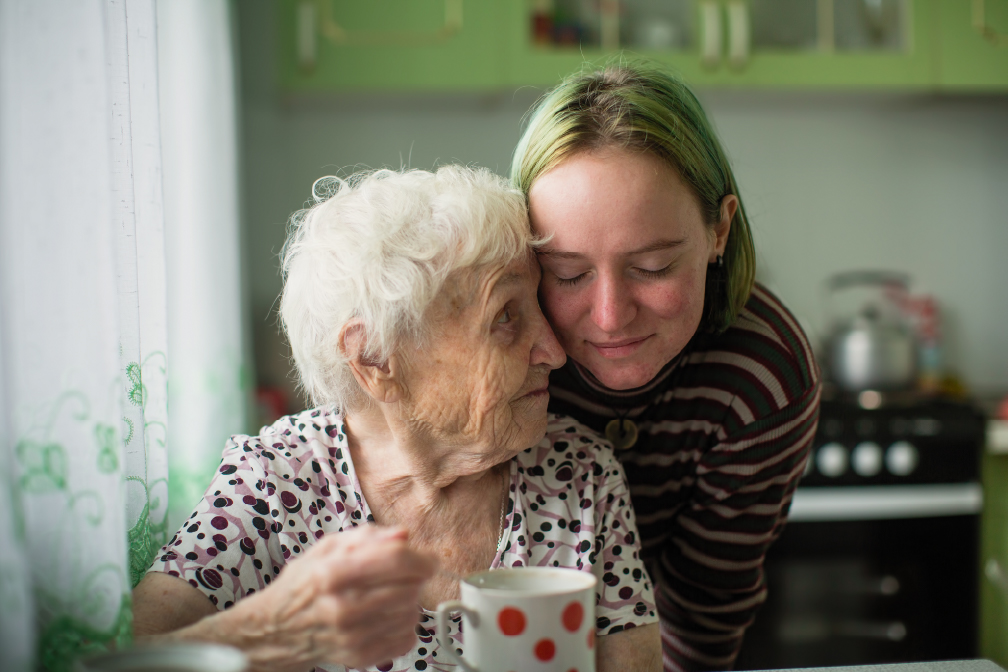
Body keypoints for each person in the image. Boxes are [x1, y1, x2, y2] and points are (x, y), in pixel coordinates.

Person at [132, 165, 662, 672]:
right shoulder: (274, 481)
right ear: (376, 359)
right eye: (505, 316)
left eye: (537, 306)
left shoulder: (580, 475)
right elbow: (130, 656)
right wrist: (275, 630)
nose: (553, 350)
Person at [511, 63, 822, 672]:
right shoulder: (501, 355)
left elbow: (704, 611)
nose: (608, 317)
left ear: (719, 229)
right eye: (568, 274)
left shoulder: (762, 377)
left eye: (652, 266)